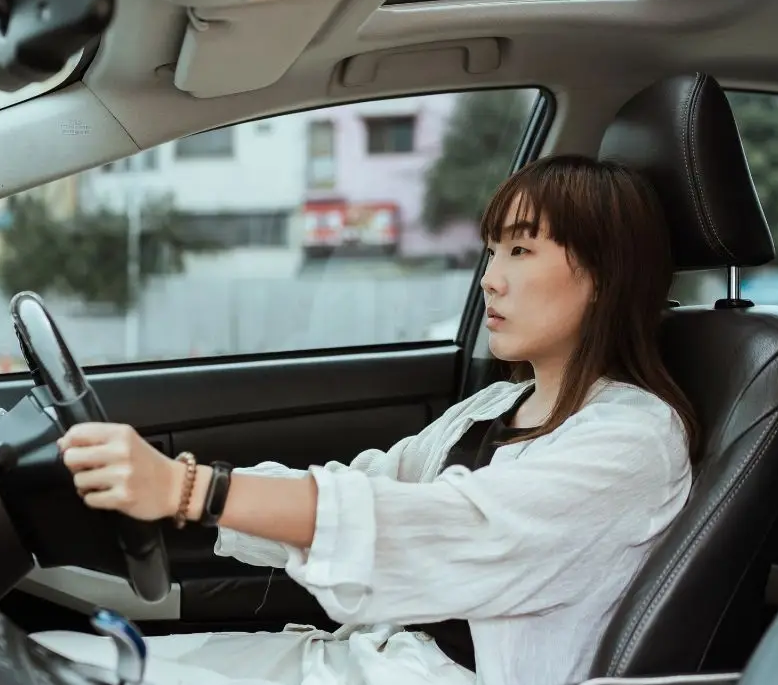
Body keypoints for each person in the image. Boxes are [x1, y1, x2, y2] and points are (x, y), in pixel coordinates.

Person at [34, 154, 700, 685]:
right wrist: (182, 502)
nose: (489, 279)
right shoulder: (498, 404)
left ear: (606, 276)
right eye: (492, 251)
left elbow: (436, 527)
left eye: (521, 252)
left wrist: (191, 488)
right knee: (33, 656)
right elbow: (374, 483)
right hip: (368, 658)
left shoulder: (634, 441)